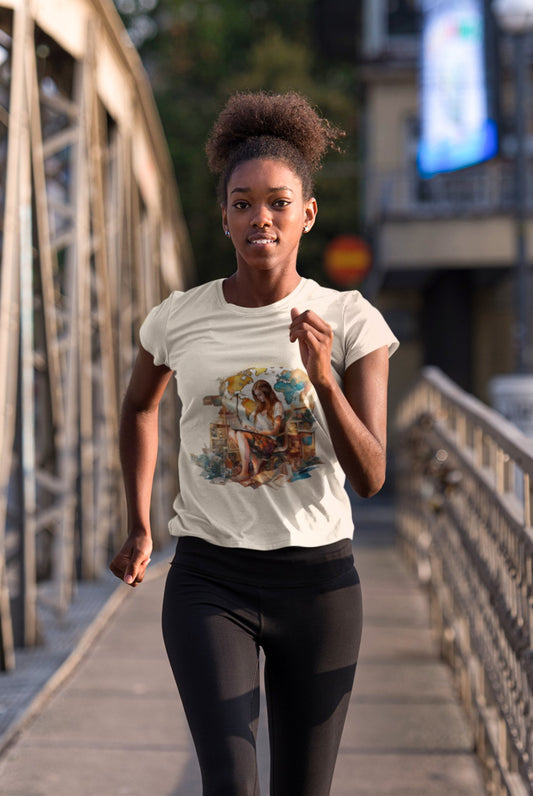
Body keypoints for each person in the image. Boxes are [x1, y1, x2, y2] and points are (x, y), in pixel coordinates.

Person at [110, 91, 399, 796]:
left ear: (307, 213)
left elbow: (370, 477)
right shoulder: (178, 317)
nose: (259, 218)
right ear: (224, 216)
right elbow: (138, 410)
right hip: (211, 580)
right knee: (231, 784)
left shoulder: (350, 318)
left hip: (321, 585)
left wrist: (323, 381)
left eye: (276, 202)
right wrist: (140, 524)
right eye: (242, 203)